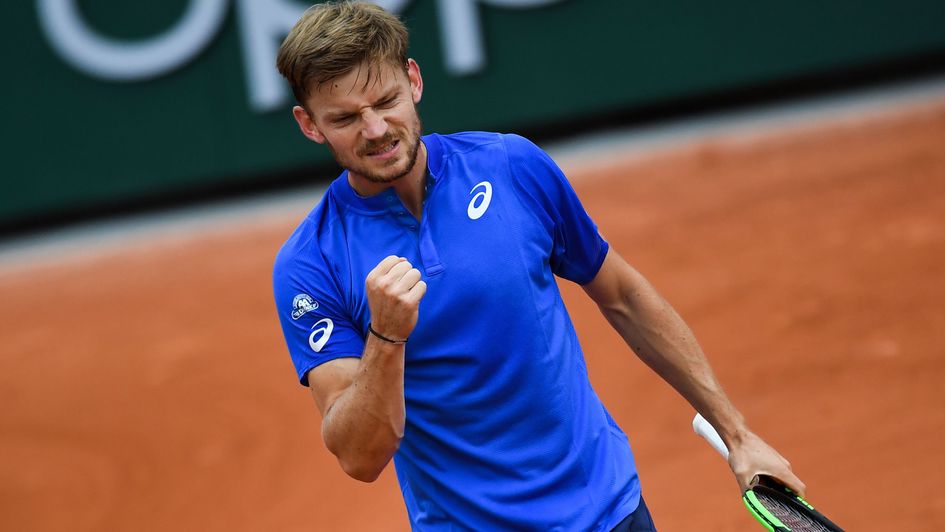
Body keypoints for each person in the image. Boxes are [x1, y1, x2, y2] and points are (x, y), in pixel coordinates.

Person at [272, 2, 804, 530]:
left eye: (385, 100)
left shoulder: (510, 166)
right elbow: (359, 457)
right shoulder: (310, 263)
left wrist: (737, 434)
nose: (374, 129)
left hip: (609, 511)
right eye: (344, 117)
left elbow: (624, 296)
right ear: (309, 125)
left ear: (413, 81)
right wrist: (386, 337)